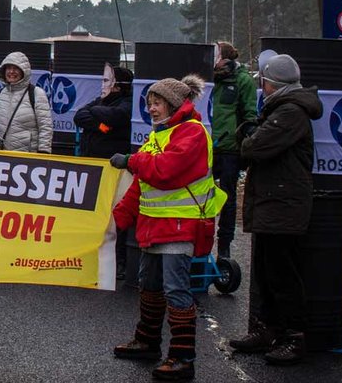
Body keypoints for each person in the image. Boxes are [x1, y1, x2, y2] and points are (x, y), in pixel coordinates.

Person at [110, 75, 226, 381]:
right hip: (154, 226)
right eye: (149, 102)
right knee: (148, 284)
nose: (151, 108)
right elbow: (141, 187)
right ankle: (147, 342)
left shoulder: (193, 133)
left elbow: (164, 172)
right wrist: (115, 220)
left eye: (157, 102)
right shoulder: (160, 134)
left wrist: (132, 161)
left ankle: (183, 357)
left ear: (174, 105)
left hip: (181, 227)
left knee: (176, 290)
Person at [228, 54, 321, 365]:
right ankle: (268, 329)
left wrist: (248, 135)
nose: (261, 86)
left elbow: (254, 148)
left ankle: (294, 337)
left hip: (283, 205)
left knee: (284, 274)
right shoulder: (282, 109)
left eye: (263, 81)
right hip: (273, 202)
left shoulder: (291, 112)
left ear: (272, 83)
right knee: (268, 272)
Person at [74, 64, 134, 279]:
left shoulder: (128, 103)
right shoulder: (101, 101)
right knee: (94, 212)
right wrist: (100, 126)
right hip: (93, 165)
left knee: (116, 214)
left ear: (118, 85)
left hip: (114, 168)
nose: (102, 86)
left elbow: (116, 117)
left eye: (106, 81)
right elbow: (79, 116)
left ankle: (119, 260)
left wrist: (97, 115)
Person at [210, 41, 256, 258]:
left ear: (225, 58)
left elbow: (249, 115)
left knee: (227, 199)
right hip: (205, 147)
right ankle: (200, 242)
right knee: (200, 195)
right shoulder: (206, 79)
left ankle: (224, 247)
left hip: (229, 149)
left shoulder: (243, 80)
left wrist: (244, 144)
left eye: (215, 55)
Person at [0, 51, 53, 153]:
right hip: (0, 156)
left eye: (16, 68)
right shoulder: (0, 94)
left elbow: (45, 127)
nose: (11, 72)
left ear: (24, 71)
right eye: (8, 68)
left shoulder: (37, 94)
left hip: (26, 159)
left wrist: (43, 153)